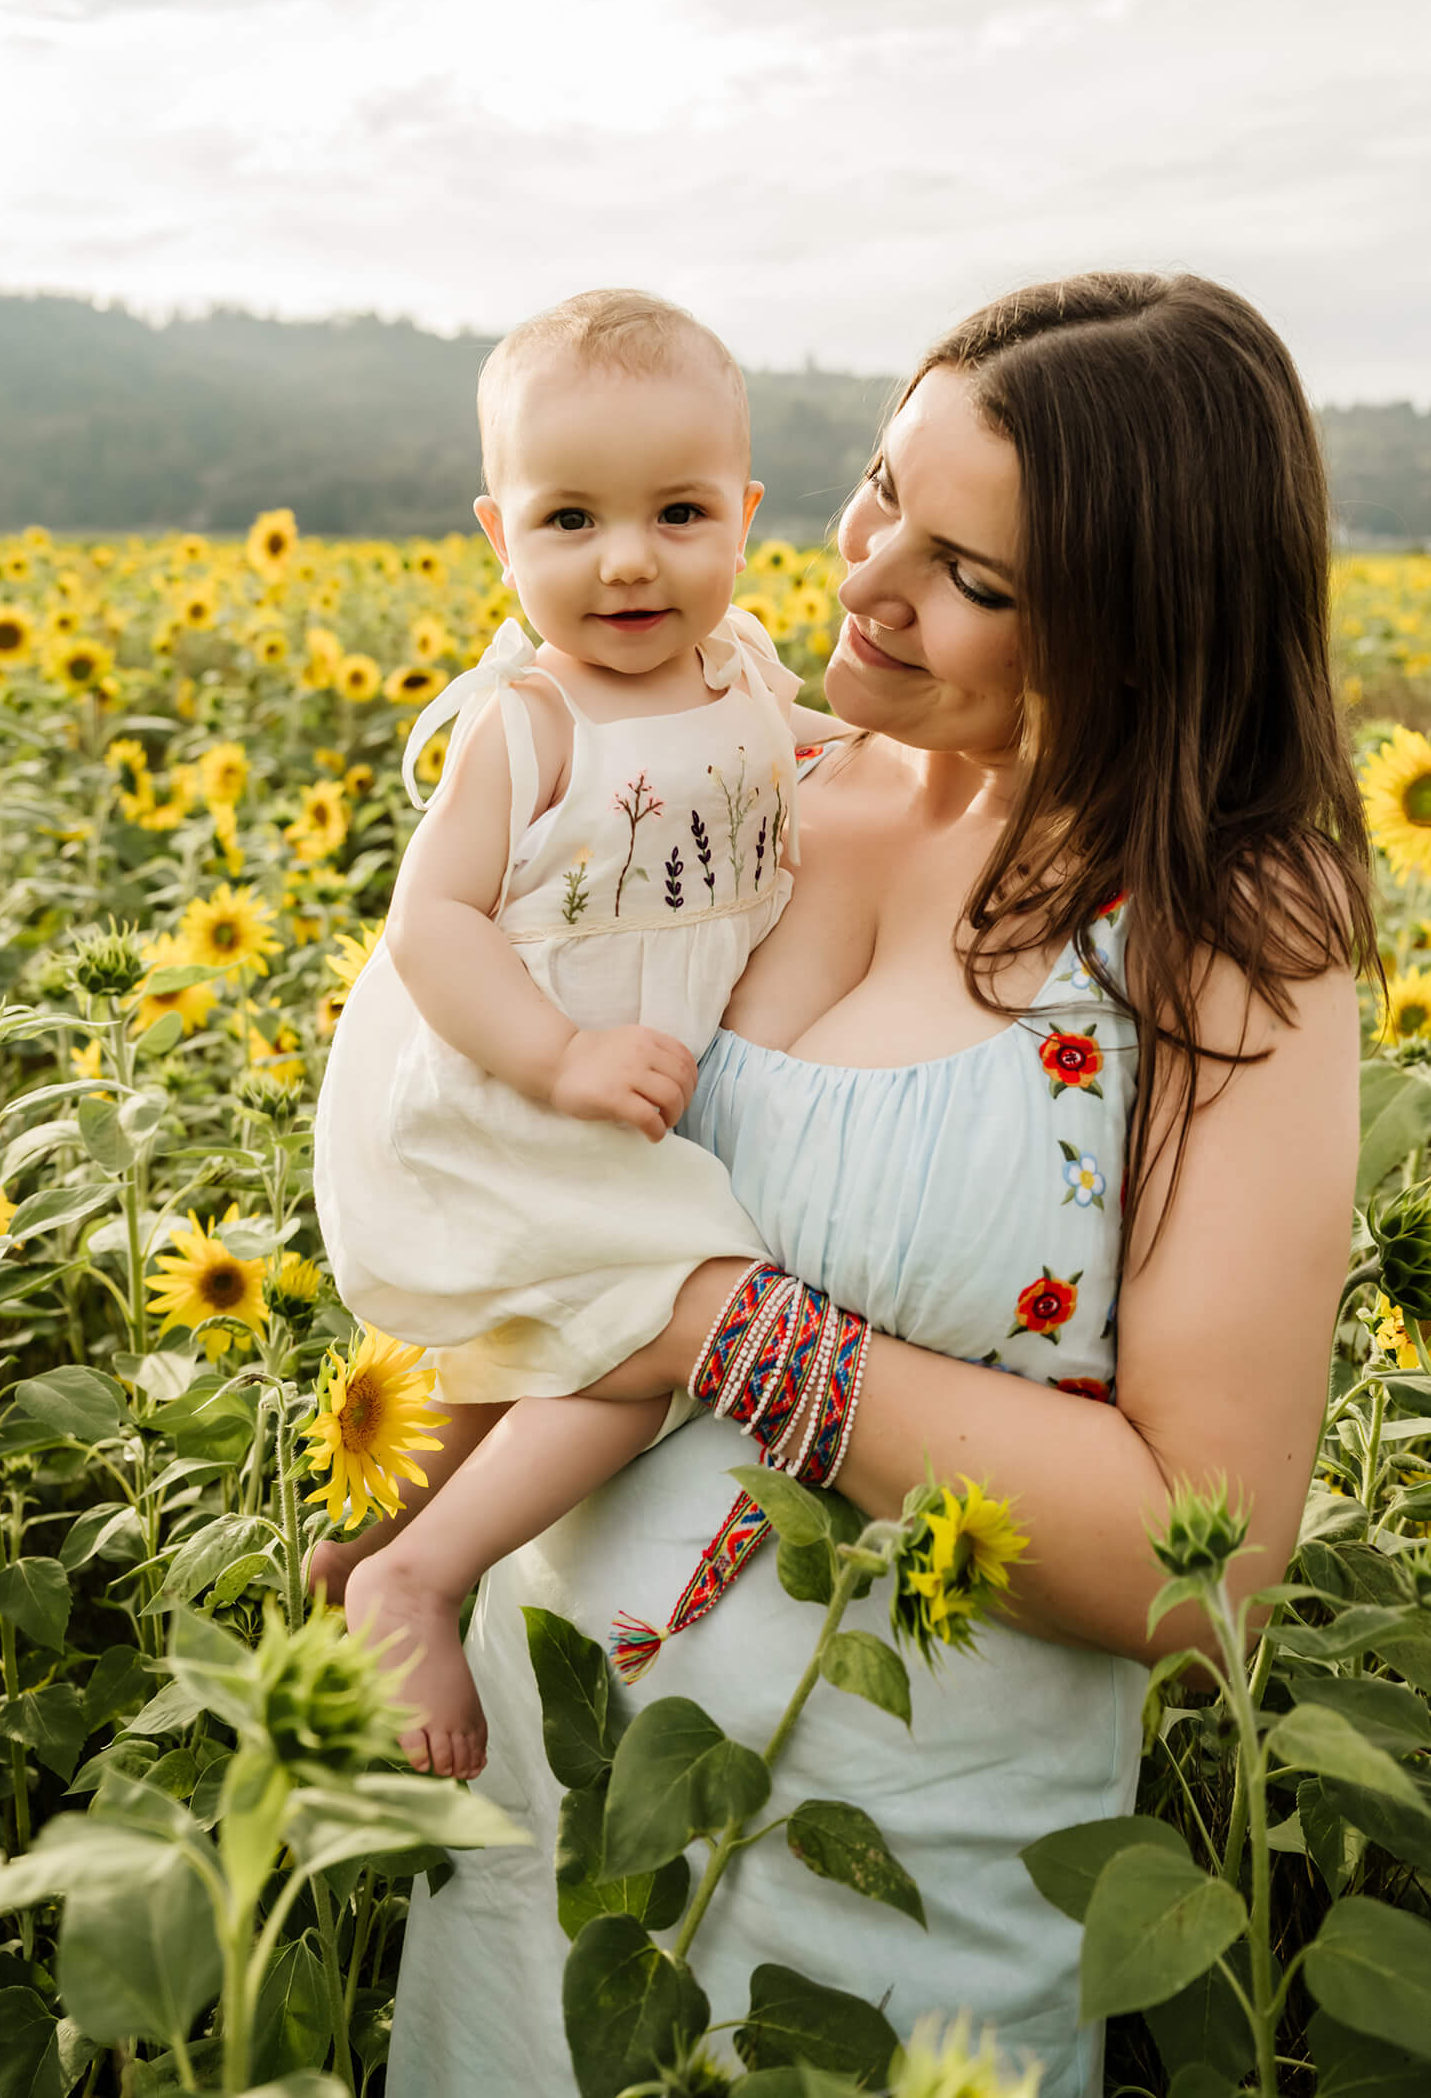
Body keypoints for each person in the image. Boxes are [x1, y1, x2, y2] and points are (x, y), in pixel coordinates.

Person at [382, 272, 1373, 2098]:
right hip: (542, 1795)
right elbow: (509, 1164)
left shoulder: (1230, 929)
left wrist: (718, 1321)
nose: (861, 578)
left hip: (892, 1890)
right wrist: (397, 1529)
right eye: (875, 490)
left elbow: (1200, 1562)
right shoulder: (747, 778)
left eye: (970, 578)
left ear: (1147, 623)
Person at [312, 288, 847, 1776]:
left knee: (528, 1344)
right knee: (655, 1336)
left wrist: (847, 753)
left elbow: (763, 758)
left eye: (678, 513)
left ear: (743, 515)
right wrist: (556, 1057)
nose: (626, 560)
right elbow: (434, 926)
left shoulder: (737, 662)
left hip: (625, 1071)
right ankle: (423, 1578)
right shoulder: (526, 723)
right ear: (501, 535)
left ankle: (375, 1554)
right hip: (518, 1071)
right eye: (570, 522)